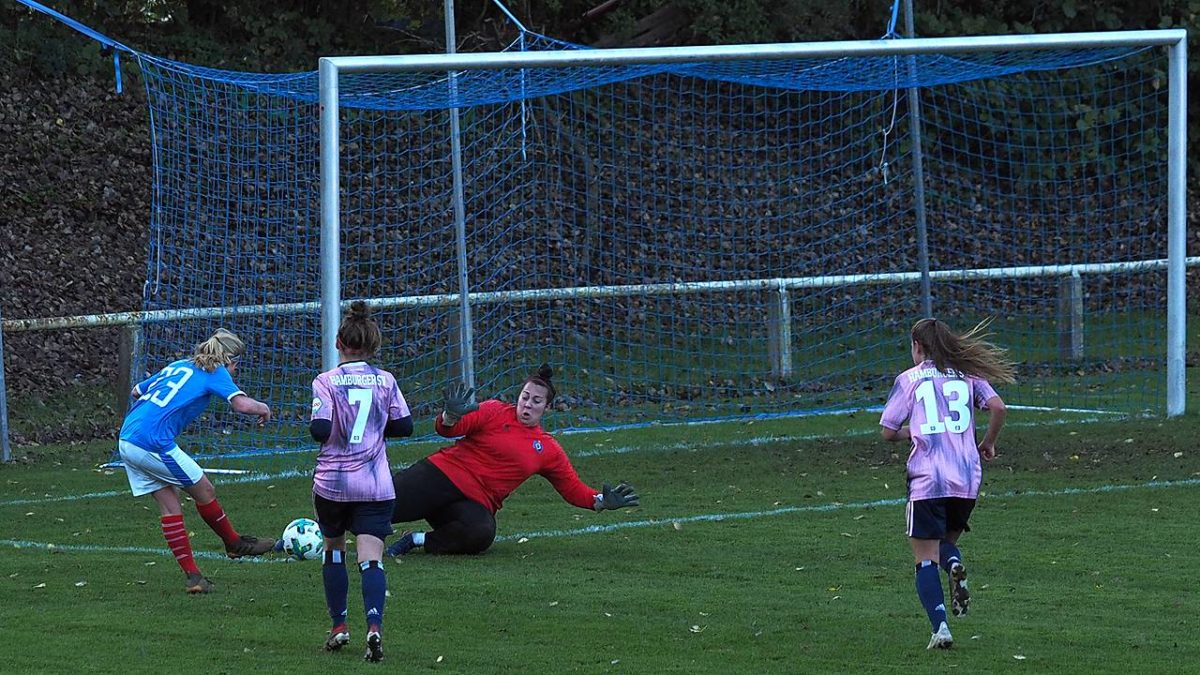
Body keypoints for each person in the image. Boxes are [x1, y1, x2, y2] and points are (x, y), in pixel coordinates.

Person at [384, 364, 639, 558]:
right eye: (525, 396)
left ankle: (414, 540)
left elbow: (572, 488)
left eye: (536, 401)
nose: (527, 404)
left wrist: (602, 502)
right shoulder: (494, 410)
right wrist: (450, 416)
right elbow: (448, 429)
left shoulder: (547, 449)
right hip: (438, 476)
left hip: (472, 502)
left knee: (481, 534)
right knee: (374, 510)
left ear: (546, 408)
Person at [879, 318, 1013, 650]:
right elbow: (998, 407)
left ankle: (941, 628)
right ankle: (954, 564)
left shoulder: (908, 379)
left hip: (928, 477)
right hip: (966, 477)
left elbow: (887, 431)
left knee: (924, 557)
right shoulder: (969, 376)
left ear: (917, 347)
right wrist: (989, 443)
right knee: (944, 548)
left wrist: (915, 430)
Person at [117, 328, 277, 594]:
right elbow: (241, 405)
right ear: (228, 360)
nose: (235, 370)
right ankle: (234, 543)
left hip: (127, 438)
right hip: (152, 442)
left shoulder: (179, 365)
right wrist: (264, 408)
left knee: (170, 506)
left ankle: (194, 578)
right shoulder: (215, 372)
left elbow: (136, 391)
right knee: (205, 490)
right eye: (236, 364)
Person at [307, 301, 413, 662]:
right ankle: (374, 627)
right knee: (371, 558)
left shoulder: (326, 381)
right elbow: (405, 426)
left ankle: (339, 625)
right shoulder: (386, 381)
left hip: (333, 484)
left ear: (339, 342)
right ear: (375, 345)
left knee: (334, 547)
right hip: (375, 483)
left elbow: (320, 429)